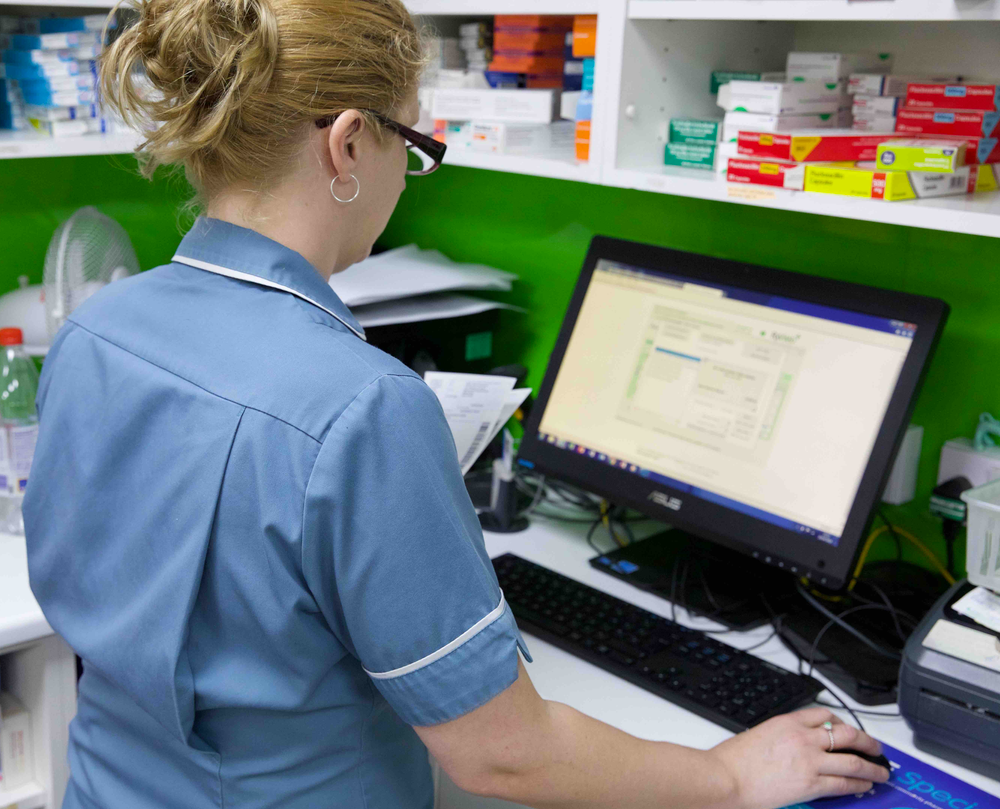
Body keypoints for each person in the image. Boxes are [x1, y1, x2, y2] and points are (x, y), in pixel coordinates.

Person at [24, 0, 891, 807]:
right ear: (350, 145)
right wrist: (733, 773)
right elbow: (503, 751)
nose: (408, 174)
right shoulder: (360, 408)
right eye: (413, 144)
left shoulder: (98, 329)